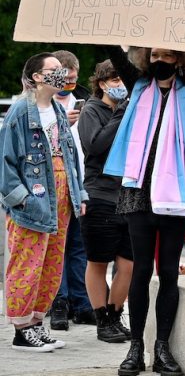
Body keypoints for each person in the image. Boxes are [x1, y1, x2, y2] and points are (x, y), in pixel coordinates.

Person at [81, 0, 185, 374]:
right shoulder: (138, 83)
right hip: (137, 192)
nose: (161, 60)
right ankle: (135, 350)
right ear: (148, 56)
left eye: (168, 56)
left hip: (178, 193)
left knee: (168, 272)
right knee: (141, 270)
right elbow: (111, 44)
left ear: (180, 60)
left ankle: (162, 348)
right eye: (156, 55)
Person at [1, 52, 88, 352]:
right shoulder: (19, 113)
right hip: (33, 201)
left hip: (61, 198)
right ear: (37, 76)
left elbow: (71, 158)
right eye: (54, 69)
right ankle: (21, 329)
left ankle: (36, 323)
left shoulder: (58, 111)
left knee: (51, 266)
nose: (61, 74)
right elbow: (6, 164)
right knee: (26, 264)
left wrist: (80, 195)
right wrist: (22, 201)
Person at [77, 59, 133, 343]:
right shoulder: (91, 110)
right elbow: (95, 146)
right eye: (115, 80)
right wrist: (119, 114)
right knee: (98, 261)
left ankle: (115, 314)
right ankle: (102, 320)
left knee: (129, 264)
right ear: (102, 84)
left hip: (130, 196)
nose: (121, 85)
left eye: (124, 80)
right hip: (100, 195)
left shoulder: (129, 111)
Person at [49, 50, 94, 330]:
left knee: (79, 246)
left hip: (81, 183)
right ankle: (59, 301)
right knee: (57, 247)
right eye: (63, 80)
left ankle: (81, 300)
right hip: (55, 183)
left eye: (73, 79)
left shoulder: (85, 104)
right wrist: (64, 122)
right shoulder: (41, 105)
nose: (68, 85)